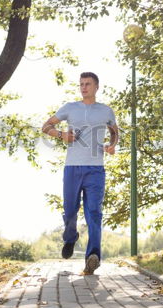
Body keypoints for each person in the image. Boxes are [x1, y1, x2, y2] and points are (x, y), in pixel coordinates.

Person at [42, 72, 118, 275]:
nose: (84, 87)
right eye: (81, 84)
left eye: (88, 84)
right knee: (70, 210)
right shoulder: (69, 108)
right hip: (72, 168)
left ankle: (93, 257)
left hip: (95, 169)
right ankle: (70, 238)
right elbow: (46, 126)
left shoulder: (105, 111)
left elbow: (114, 131)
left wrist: (112, 145)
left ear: (96, 87)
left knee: (94, 212)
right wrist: (61, 135)